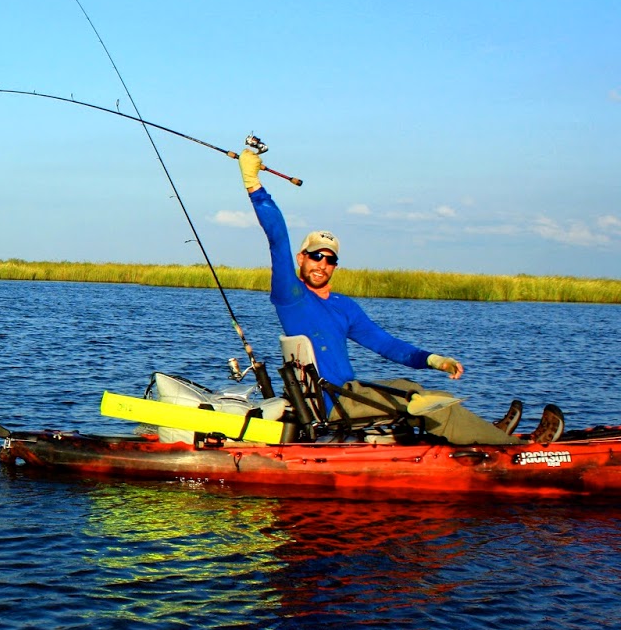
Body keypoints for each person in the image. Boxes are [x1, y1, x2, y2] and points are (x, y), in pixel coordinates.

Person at [238, 140, 563, 445]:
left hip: (351, 393)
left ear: (336, 265)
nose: (321, 264)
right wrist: (254, 184)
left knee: (417, 390)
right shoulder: (291, 297)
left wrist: (433, 359)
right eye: (315, 255)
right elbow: (277, 238)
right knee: (425, 402)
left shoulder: (344, 306)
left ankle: (487, 433)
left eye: (330, 258)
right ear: (302, 258)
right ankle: (520, 449)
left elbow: (386, 345)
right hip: (336, 406)